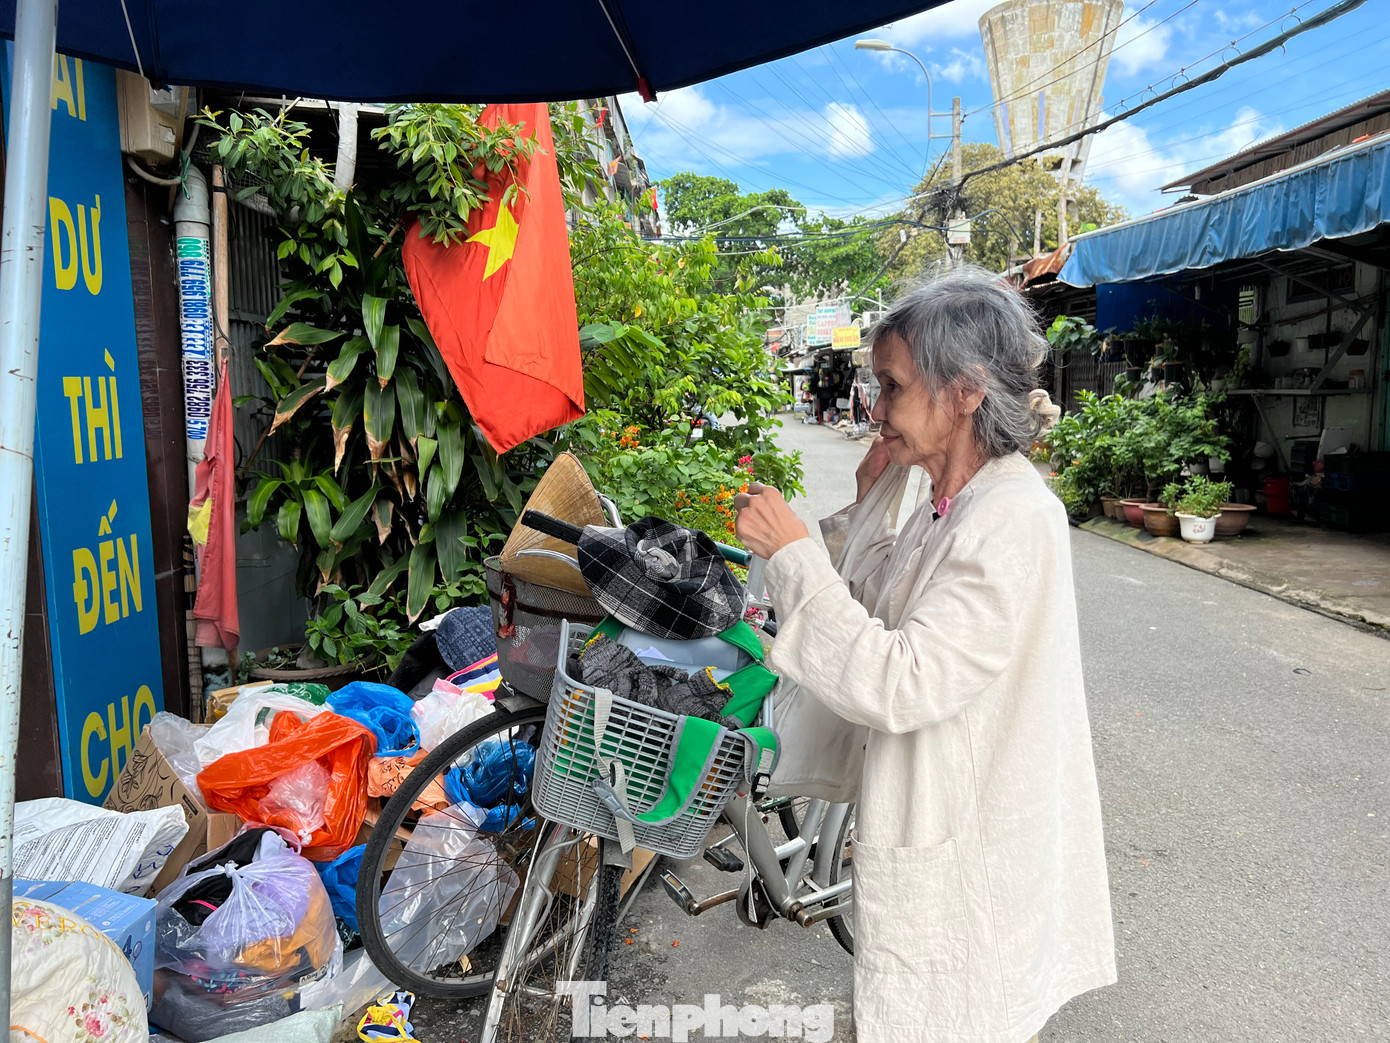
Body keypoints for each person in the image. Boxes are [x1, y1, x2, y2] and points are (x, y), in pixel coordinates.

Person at [734, 267, 1115, 1042]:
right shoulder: (951, 497)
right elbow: (869, 601)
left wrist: (795, 555)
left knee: (958, 1011)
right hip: (934, 809)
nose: (875, 408)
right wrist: (872, 494)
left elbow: (902, 678)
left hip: (973, 837)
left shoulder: (1012, 518)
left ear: (967, 391)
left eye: (892, 385)